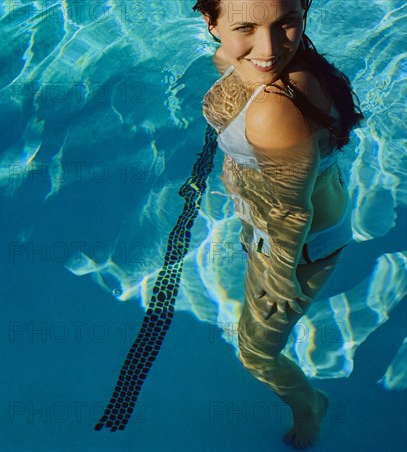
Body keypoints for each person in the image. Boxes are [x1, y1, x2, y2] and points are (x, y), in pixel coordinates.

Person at [194, 0, 364, 448]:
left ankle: (310, 406)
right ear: (210, 23)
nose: (267, 48)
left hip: (298, 244)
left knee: (255, 353)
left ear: (305, 10)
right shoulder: (249, 61)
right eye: (245, 26)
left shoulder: (275, 108)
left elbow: (293, 212)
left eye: (287, 23)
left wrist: (281, 270)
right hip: (281, 218)